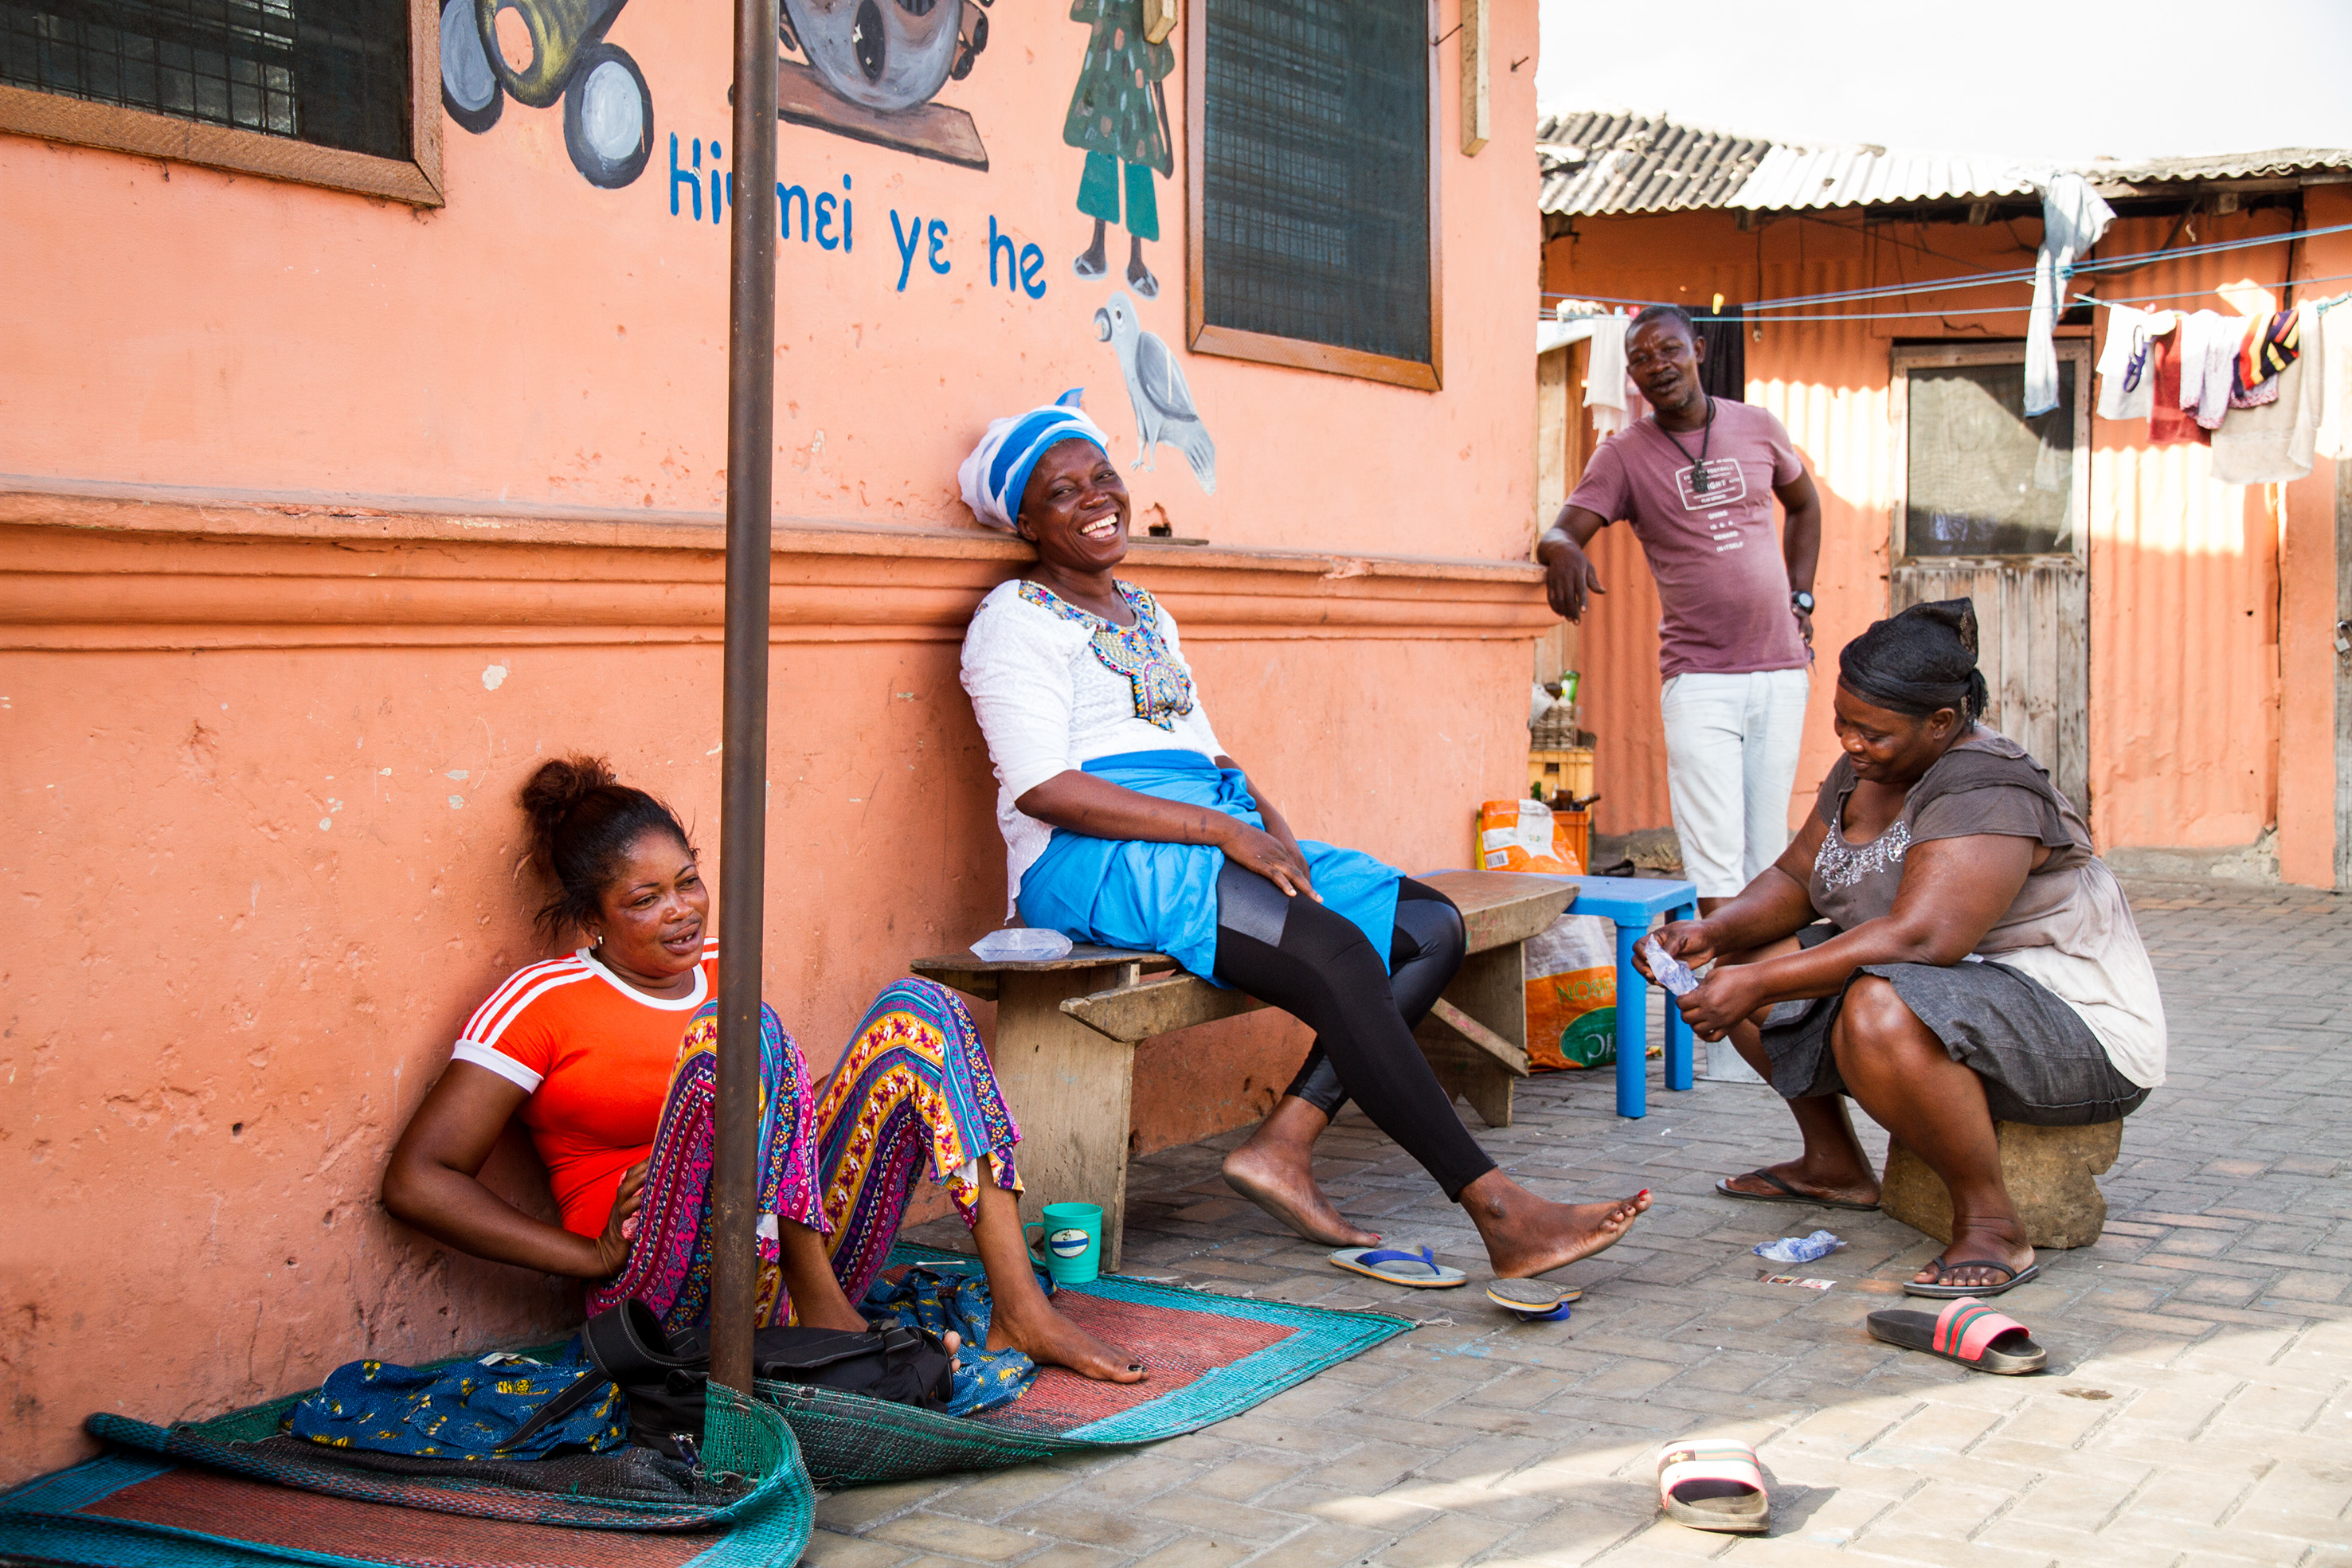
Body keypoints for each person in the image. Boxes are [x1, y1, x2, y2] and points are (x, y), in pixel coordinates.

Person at [954, 389, 1651, 1277]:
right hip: (1095, 855)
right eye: (1062, 492)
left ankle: (1284, 1141)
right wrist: (1220, 833)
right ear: (1024, 522)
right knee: (1335, 953)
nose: (1096, 498)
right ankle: (1500, 1209)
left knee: (1427, 927)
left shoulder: (1145, 610)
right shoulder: (1012, 620)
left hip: (1209, 825)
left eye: (1103, 476)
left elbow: (1203, 747)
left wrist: (1264, 821)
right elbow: (1045, 787)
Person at [382, 756, 1144, 1387]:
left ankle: (1021, 1307)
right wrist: (590, 1255)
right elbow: (420, 1177)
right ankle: (829, 1324)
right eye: (644, 899)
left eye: (688, 880)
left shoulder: (722, 965)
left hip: (780, 1255)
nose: (682, 910)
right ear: (592, 920)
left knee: (919, 1008)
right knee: (737, 1036)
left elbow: (778, 1111)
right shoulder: (540, 1003)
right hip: (662, 1292)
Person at [1643, 600, 2165, 1297]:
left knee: (1875, 1004)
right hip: (1963, 993)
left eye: (1872, 731)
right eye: (1842, 722)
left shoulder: (1988, 785)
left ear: (1941, 723)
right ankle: (1833, 1166)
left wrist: (1762, 986)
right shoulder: (1865, 770)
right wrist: (1713, 933)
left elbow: (1924, 936)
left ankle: (1991, 1226)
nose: (1851, 742)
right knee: (1743, 962)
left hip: (2079, 1031)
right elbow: (1797, 876)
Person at [1537, 303, 1824, 913]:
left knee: (1768, 854)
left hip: (1779, 671)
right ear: (1631, 378)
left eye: (1667, 350)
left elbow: (1804, 504)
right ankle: (1726, 999)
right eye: (1639, 359)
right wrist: (1561, 551)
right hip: (1699, 679)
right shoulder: (1622, 455)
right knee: (1715, 861)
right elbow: (1562, 530)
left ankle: (1763, 997)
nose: (1655, 366)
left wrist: (1801, 595)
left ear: (1697, 348)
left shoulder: (1757, 426)